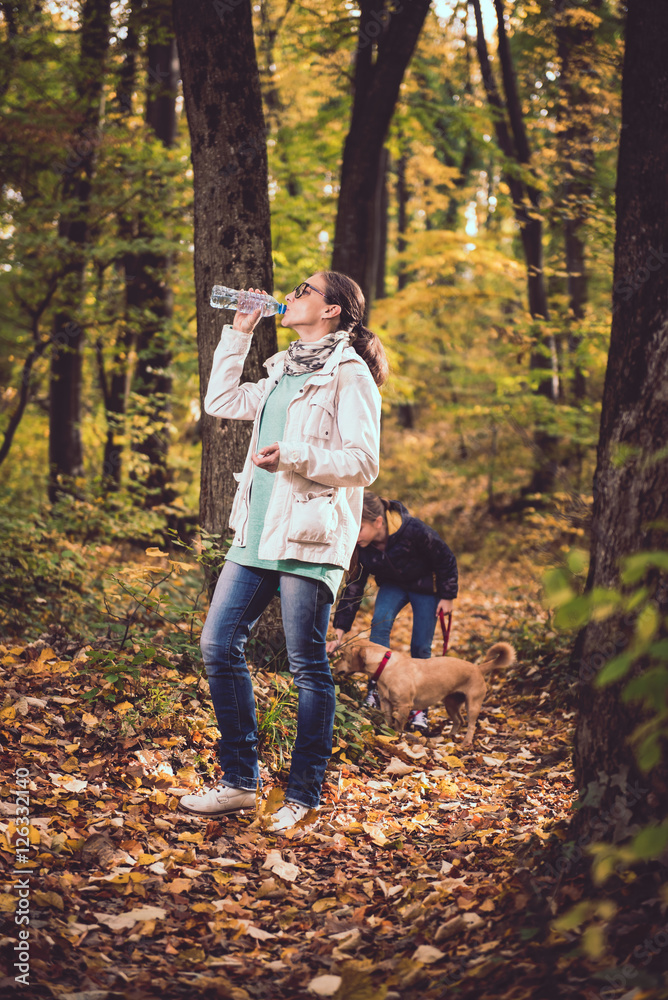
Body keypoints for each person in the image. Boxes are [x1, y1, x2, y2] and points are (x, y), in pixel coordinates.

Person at [179, 272, 387, 831]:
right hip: (256, 532)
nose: (291, 295)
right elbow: (220, 400)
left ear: (334, 310)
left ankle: (303, 793)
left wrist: (292, 453)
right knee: (218, 644)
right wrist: (239, 332)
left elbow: (364, 462)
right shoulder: (279, 370)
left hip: (311, 537)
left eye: (305, 289)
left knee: (307, 667)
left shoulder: (350, 374)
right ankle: (239, 783)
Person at [326, 492, 458, 736]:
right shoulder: (362, 548)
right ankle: (377, 689)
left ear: (378, 522)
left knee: (421, 645)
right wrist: (339, 630)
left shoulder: (414, 530)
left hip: (424, 587)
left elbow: (445, 559)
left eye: (360, 528)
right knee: (380, 625)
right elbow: (353, 587)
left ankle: (420, 707)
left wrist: (448, 596)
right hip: (392, 586)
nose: (355, 536)